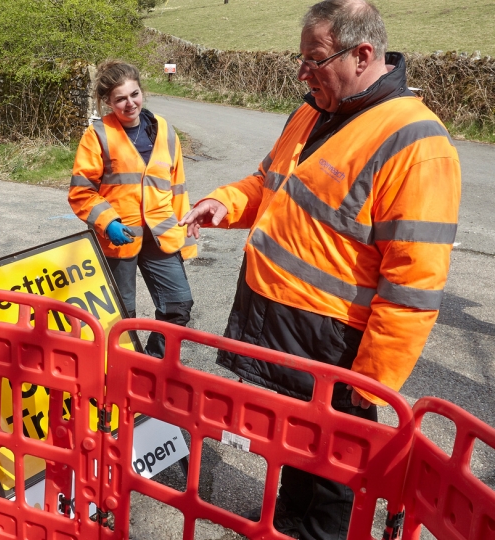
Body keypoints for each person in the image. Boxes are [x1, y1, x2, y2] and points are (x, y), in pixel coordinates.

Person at [179, 1, 461, 539]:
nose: (302, 73)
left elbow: (414, 283)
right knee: (296, 448)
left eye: (314, 59)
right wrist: (224, 203)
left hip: (336, 349)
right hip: (282, 328)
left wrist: (374, 381)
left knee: (333, 474)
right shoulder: (313, 110)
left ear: (362, 55)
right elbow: (268, 184)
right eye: (301, 58)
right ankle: (285, 525)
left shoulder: (418, 143)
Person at [69, 60, 197, 358]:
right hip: (119, 238)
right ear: (107, 102)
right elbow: (80, 191)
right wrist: (108, 222)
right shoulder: (97, 135)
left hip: (161, 236)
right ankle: (118, 381)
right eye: (120, 99)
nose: (130, 104)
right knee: (120, 318)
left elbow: (177, 186)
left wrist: (185, 239)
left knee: (178, 306)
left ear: (143, 91)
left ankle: (149, 366)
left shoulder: (164, 130)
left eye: (134, 94)